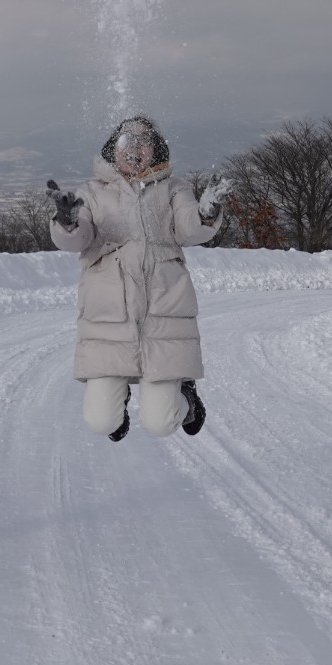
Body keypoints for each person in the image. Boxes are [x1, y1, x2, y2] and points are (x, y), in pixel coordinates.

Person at [49, 117, 230, 440]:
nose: (134, 148)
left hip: (163, 317)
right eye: (125, 142)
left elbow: (190, 228)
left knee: (161, 424)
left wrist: (207, 212)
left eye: (143, 141)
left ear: (156, 149)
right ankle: (118, 403)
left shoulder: (174, 189)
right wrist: (67, 222)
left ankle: (186, 398)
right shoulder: (90, 193)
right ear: (112, 150)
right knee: (101, 422)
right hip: (109, 322)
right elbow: (77, 238)